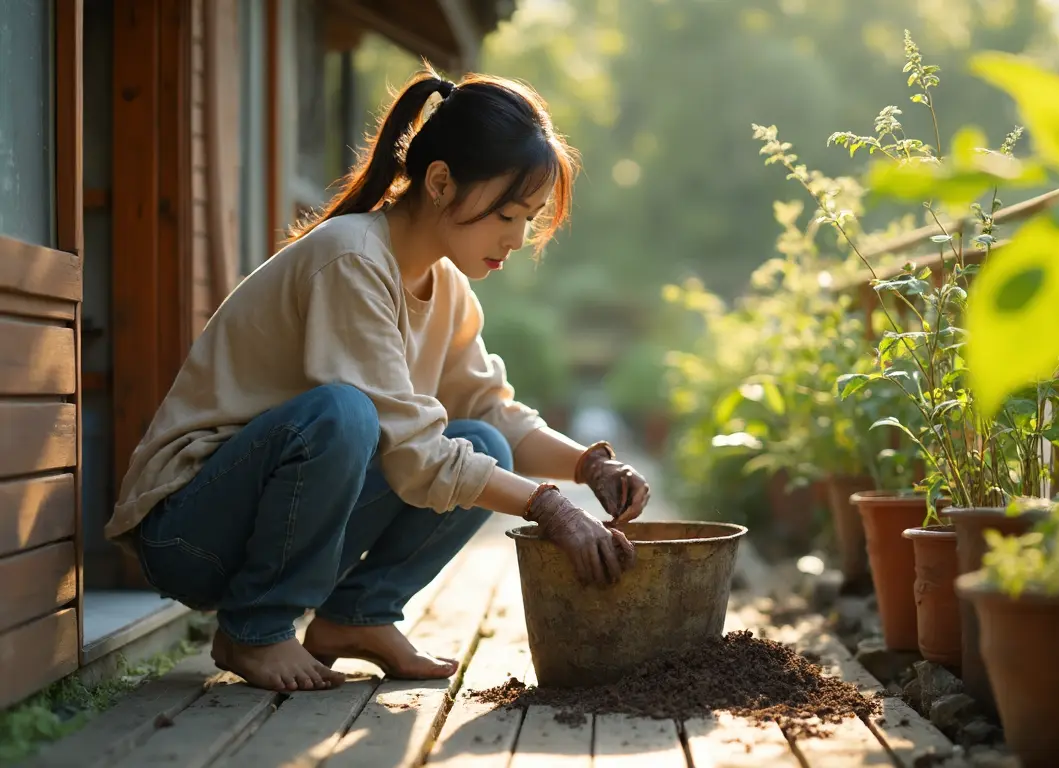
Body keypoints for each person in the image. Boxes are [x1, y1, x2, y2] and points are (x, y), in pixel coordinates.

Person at [103, 65, 651, 694]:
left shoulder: (447, 288)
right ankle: (254, 629)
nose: (518, 238)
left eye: (529, 219)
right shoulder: (352, 258)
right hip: (191, 532)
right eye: (507, 214)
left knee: (484, 443)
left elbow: (491, 410)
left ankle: (356, 618)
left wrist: (588, 465)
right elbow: (414, 453)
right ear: (440, 183)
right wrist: (547, 506)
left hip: (264, 525)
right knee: (345, 415)